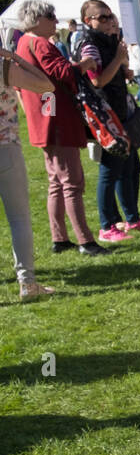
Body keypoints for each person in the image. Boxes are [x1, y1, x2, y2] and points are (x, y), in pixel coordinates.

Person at [13, 0, 105, 256]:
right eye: (51, 16)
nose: (55, 20)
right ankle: (86, 241)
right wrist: (85, 64)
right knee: (72, 182)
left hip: (43, 120)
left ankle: (60, 238)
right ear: (37, 20)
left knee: (56, 182)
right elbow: (63, 72)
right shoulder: (40, 43)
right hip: (56, 121)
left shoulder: (23, 43)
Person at [78, 0, 140, 243]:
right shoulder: (89, 45)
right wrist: (118, 59)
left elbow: (110, 74)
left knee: (131, 167)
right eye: (102, 18)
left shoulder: (109, 42)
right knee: (111, 170)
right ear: (87, 21)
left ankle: (132, 218)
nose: (109, 21)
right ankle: (107, 225)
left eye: (110, 16)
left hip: (121, 112)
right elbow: (97, 81)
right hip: (106, 116)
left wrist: (123, 69)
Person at [1, 42, 59, 299]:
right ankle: (27, 283)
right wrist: (14, 58)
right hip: (6, 149)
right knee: (19, 218)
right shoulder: (4, 66)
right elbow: (46, 84)